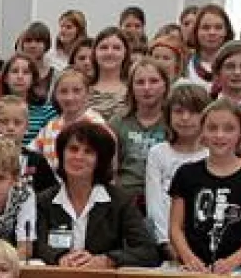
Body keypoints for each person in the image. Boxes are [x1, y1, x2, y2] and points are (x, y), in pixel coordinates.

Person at [35, 120, 159, 268]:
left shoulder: (120, 202)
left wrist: (107, 260)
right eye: (73, 149)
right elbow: (35, 245)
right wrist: (59, 257)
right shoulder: (43, 201)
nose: (79, 157)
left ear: (100, 161)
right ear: (62, 154)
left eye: (88, 152)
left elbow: (148, 251)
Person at [168, 98, 241, 273]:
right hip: (193, 270)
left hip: (239, 270)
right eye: (212, 128)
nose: (220, 135)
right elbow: (175, 227)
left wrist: (232, 262)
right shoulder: (186, 173)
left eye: (229, 129)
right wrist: (189, 258)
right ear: (202, 132)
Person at [145, 82, 210, 258]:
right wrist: (167, 242)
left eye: (193, 112)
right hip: (167, 243)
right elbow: (155, 204)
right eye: (178, 112)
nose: (185, 118)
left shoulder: (212, 155)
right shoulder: (158, 153)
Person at [110, 57, 169, 207]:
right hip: (127, 197)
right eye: (140, 82)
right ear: (131, 88)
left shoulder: (173, 122)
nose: (147, 88)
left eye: (154, 81)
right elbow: (110, 169)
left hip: (165, 196)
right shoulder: (118, 122)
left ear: (165, 85)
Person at [31, 67, 105, 169]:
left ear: (88, 93)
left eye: (76, 91)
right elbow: (31, 153)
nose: (69, 97)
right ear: (55, 95)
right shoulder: (50, 127)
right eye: (63, 91)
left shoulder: (97, 125)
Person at [0, 96, 58, 197]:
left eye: (17, 122)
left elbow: (51, 193)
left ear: (27, 126)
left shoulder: (36, 160)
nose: (10, 127)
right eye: (4, 122)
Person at [0, 53, 55, 147]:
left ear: (33, 79)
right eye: (15, 71)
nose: (20, 76)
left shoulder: (46, 112)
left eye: (26, 72)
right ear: (5, 78)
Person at [184, 4, 234, 89]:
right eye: (205, 28)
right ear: (196, 32)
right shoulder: (184, 63)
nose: (212, 32)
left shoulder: (236, 64)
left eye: (218, 28)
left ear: (226, 31)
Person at [87, 27, 131, 122]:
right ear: (94, 52)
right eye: (104, 48)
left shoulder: (134, 91)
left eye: (116, 48)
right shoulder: (81, 89)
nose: (109, 53)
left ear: (125, 53)